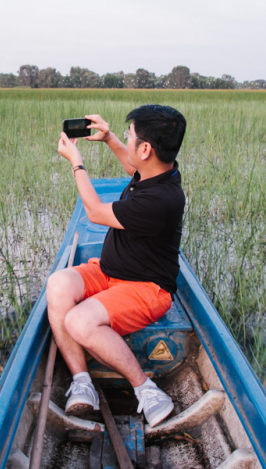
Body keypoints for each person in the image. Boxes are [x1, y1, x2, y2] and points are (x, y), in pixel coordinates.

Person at [48, 104, 186, 428]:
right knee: (58, 284)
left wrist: (77, 164)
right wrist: (110, 137)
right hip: (110, 271)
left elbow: (95, 213)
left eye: (130, 135)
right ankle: (82, 382)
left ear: (147, 148)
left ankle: (147, 390)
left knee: (79, 322)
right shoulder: (159, 170)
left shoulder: (162, 200)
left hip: (145, 288)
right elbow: (131, 164)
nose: (127, 138)